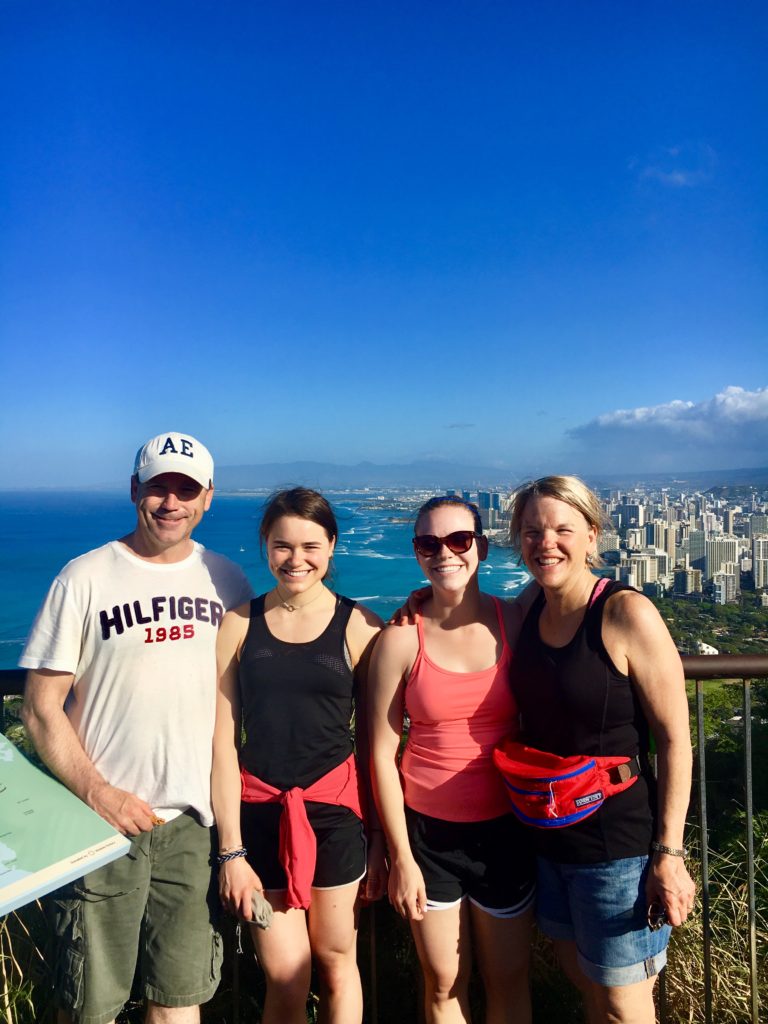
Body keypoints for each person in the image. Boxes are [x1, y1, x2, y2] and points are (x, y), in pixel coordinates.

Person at [20, 431, 253, 1024]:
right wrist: (98, 793)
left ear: (207, 499)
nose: (171, 502)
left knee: (179, 1002)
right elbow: (40, 706)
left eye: (186, 489)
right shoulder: (85, 577)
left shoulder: (227, 582)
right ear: (134, 491)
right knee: (89, 1004)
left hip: (192, 828)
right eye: (158, 487)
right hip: (100, 825)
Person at [503, 475, 695, 1024]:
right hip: (549, 837)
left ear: (592, 535)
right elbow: (466, 615)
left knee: (623, 1008)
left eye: (563, 529)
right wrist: (421, 601)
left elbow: (675, 740)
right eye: (533, 531)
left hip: (619, 848)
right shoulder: (529, 607)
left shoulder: (624, 613)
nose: (546, 543)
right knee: (585, 988)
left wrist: (670, 853)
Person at [211, 487, 386, 1024]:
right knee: (286, 976)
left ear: (331, 546)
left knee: (337, 966)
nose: (296, 559)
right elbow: (222, 739)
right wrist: (231, 852)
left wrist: (380, 839)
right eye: (282, 546)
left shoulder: (360, 627)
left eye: (310, 545)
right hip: (260, 816)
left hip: (335, 817)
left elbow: (377, 743)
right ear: (265, 546)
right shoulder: (239, 623)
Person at [368, 495, 535, 1024]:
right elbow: (379, 750)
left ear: (481, 548)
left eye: (459, 541)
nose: (445, 553)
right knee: (442, 983)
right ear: (417, 552)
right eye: (428, 543)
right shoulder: (399, 639)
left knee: (507, 977)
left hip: (507, 827)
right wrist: (401, 857)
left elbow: (569, 586)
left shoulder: (515, 620)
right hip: (428, 836)